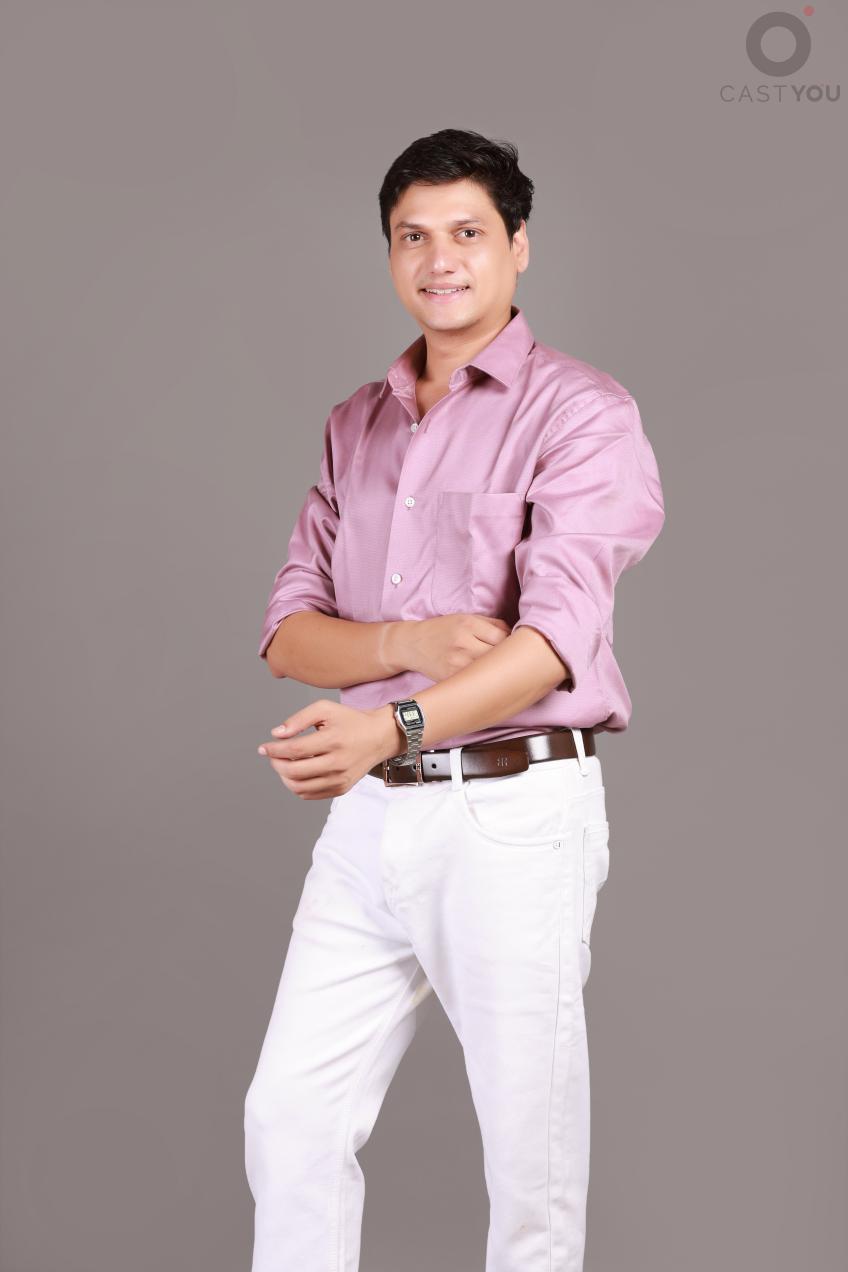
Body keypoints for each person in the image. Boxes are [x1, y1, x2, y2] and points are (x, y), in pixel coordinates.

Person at [245, 127, 665, 1272]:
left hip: (509, 812)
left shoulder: (580, 412)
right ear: (388, 253)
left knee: (528, 1164)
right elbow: (288, 633)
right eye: (412, 237)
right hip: (368, 813)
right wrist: (406, 643)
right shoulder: (356, 423)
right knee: (289, 1122)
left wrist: (390, 715)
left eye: (468, 233)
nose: (440, 260)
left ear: (517, 246)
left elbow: (553, 643)